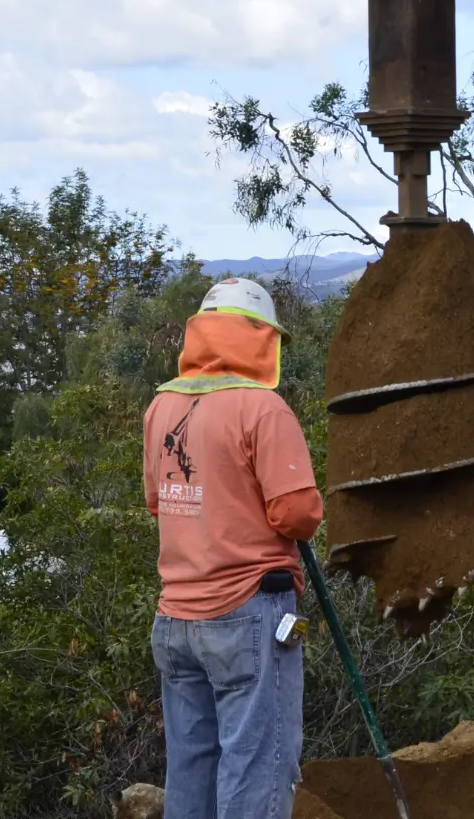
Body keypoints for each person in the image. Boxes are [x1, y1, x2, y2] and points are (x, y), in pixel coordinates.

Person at [143, 278, 324, 819]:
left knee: (192, 764)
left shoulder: (161, 409)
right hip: (248, 612)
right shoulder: (262, 410)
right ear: (259, 339)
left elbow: (159, 502)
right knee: (258, 763)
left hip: (175, 619)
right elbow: (297, 515)